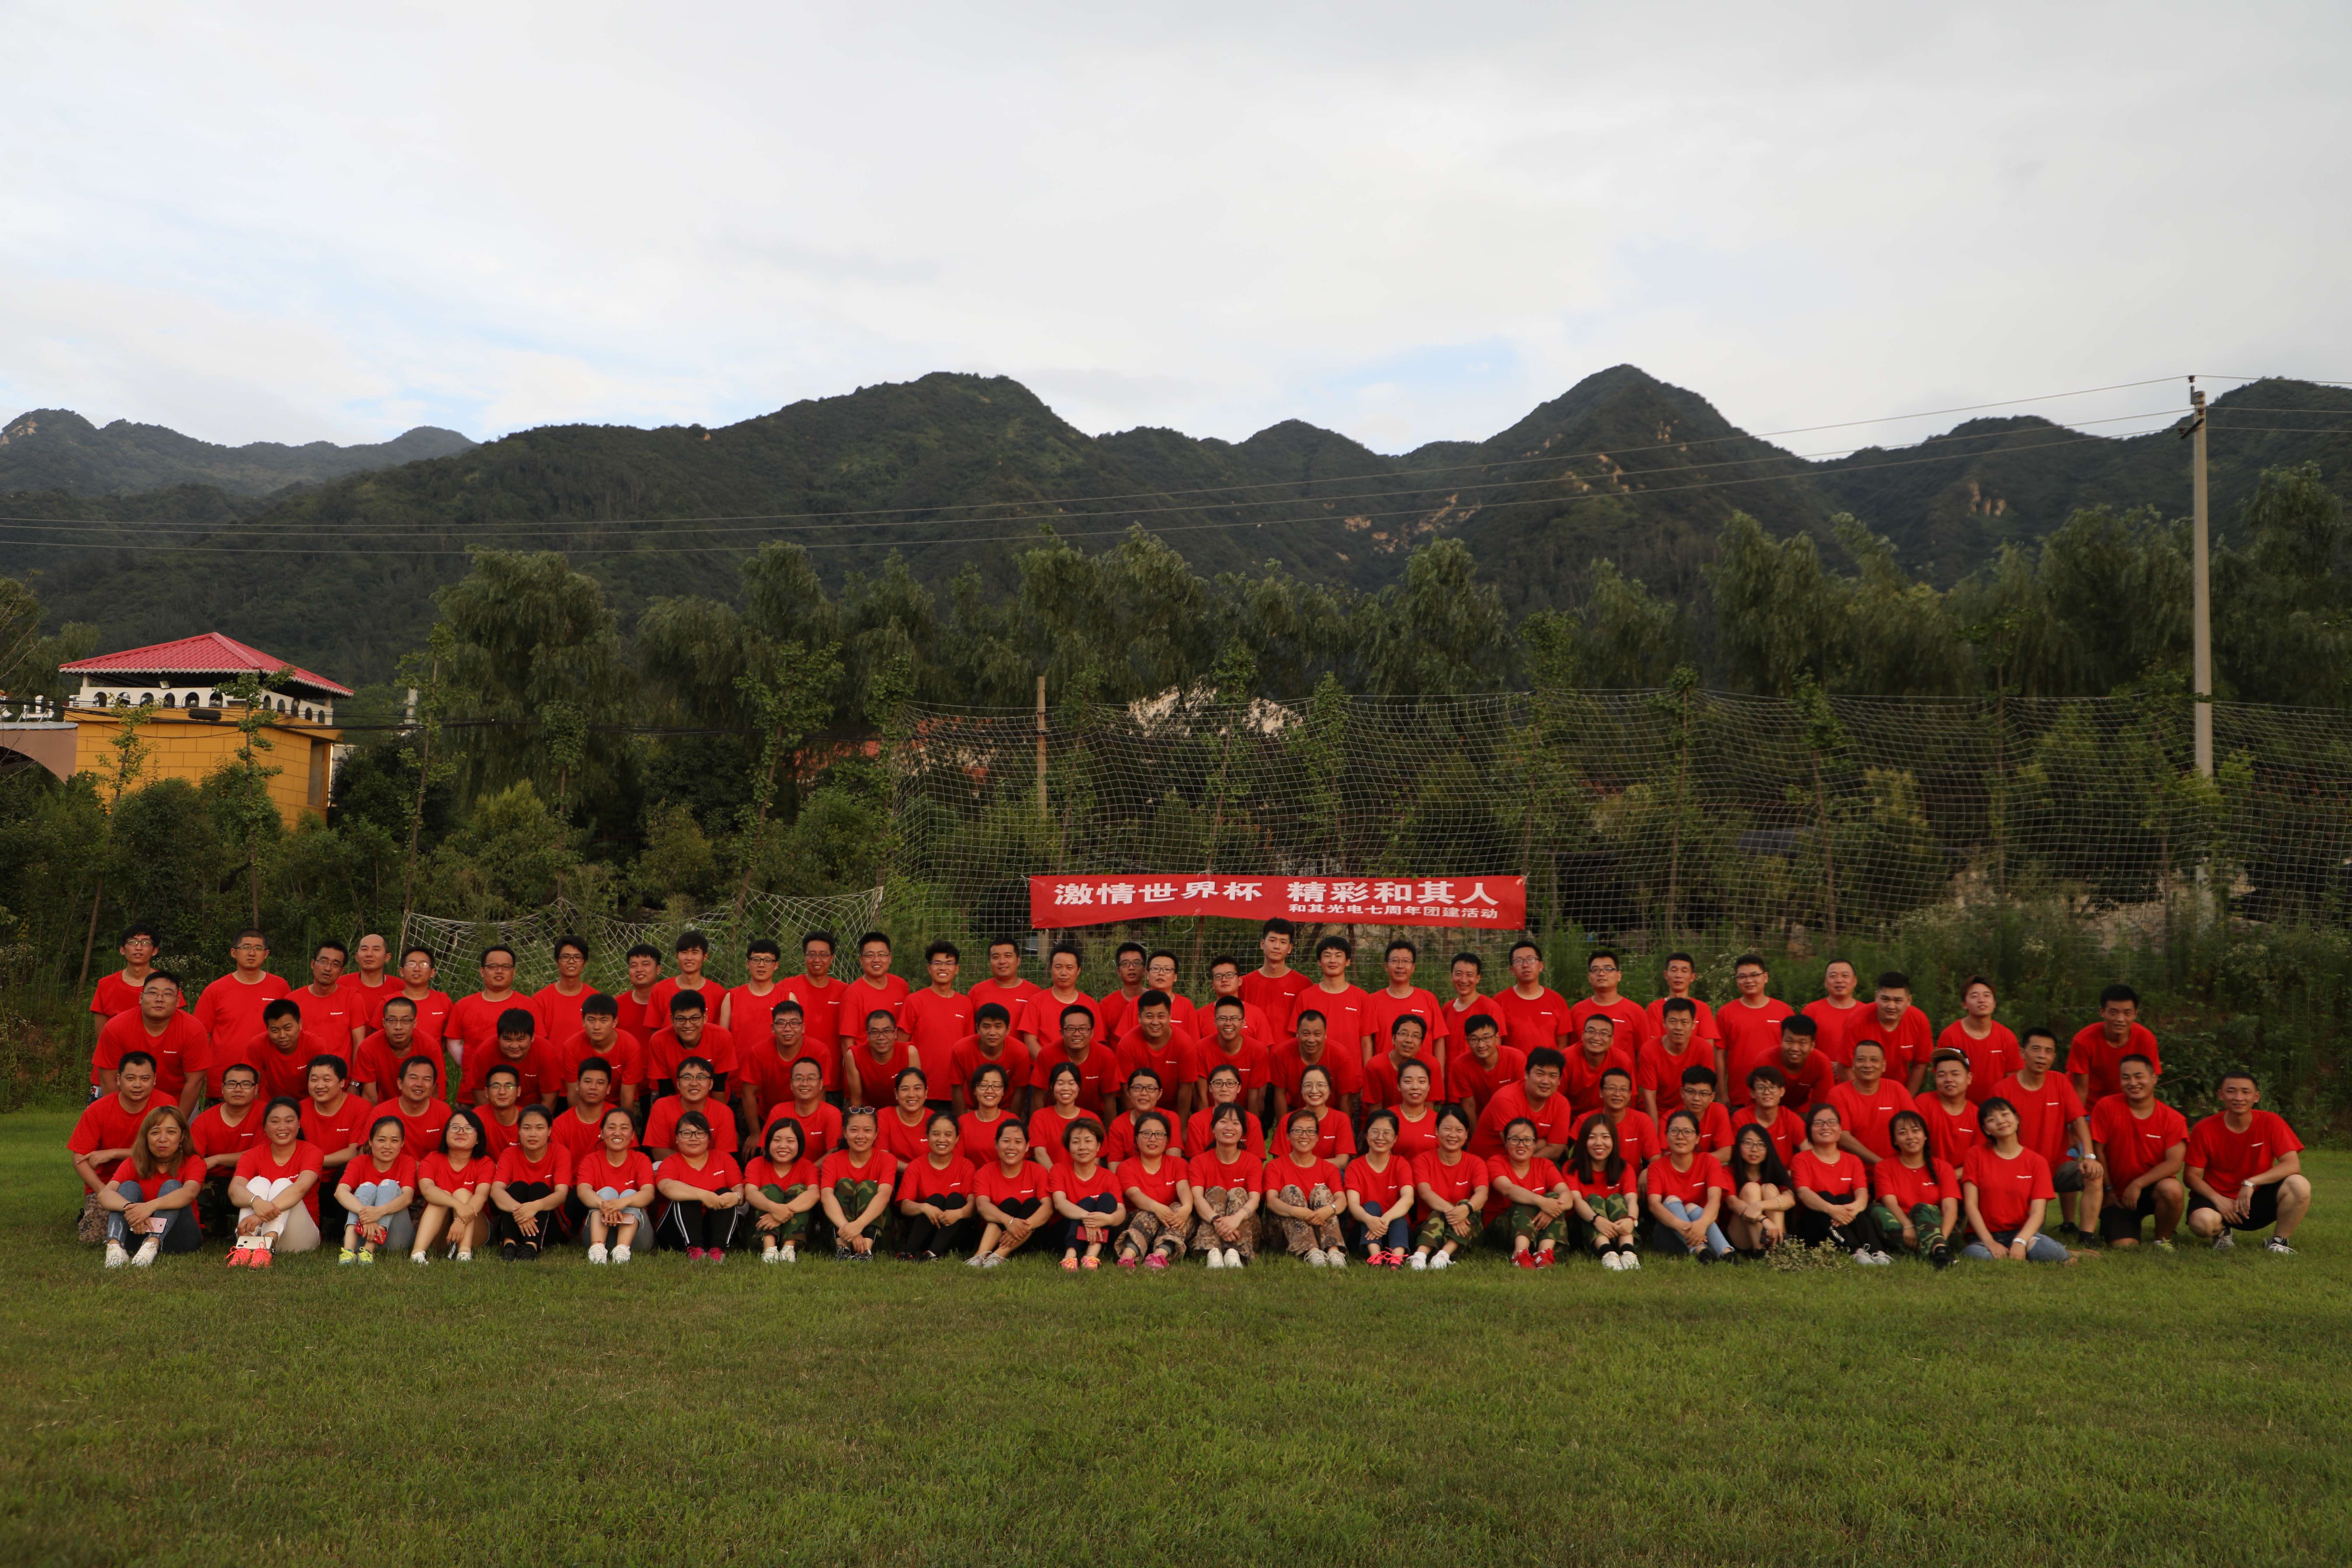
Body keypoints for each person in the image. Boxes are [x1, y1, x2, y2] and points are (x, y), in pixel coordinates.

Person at [2184, 1070, 2310, 1253]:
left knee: (2299, 1185)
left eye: (2245, 1092)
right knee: (2202, 1223)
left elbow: (2292, 1165)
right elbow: (2191, 1176)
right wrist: (2218, 1200)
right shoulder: (2204, 1129)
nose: (2239, 1098)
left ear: (2256, 1097)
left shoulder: (2271, 1122)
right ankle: (2222, 1232)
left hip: (2255, 1198)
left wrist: (2251, 1183)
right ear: (2221, 1095)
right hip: (2218, 1199)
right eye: (2231, 1091)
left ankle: (2279, 1242)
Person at [1993, 1029, 2102, 1237]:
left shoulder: (2060, 1082)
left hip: (2056, 1166)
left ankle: (2087, 1235)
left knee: (2094, 1174)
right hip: (2020, 1171)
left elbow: (2079, 1119)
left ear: (2054, 1057)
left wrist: (2089, 1156)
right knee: (2034, 1237)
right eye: (2036, 1049)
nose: (2042, 1056)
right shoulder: (2003, 1090)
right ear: (2023, 1053)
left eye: (2048, 1051)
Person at [2089, 1054, 2189, 1249]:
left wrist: (2138, 1184)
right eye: (2126, 1078)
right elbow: (2098, 1152)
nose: (2133, 1083)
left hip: (2153, 1189)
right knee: (2125, 1247)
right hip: (2117, 1194)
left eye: (2139, 1076)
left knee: (2173, 1189)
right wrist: (2108, 1191)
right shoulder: (2106, 1107)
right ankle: (2124, 1227)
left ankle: (2162, 1240)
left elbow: (2174, 1163)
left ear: (2154, 1078)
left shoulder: (2173, 1119)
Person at [69, 1051, 164, 1243]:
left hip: (153, 1179)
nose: (138, 1085)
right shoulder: (97, 1110)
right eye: (131, 1078)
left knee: (159, 1230)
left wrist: (113, 1153)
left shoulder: (165, 1106)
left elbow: (166, 1151)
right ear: (119, 1080)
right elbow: (79, 1157)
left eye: (145, 1079)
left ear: (155, 1080)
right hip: (108, 1184)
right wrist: (102, 1191)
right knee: (92, 1239)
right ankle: (90, 1215)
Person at [1961, 1098, 2071, 1262]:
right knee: (1978, 1255)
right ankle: (2027, 1256)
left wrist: (2020, 1241)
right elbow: (1971, 1205)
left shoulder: (2037, 1162)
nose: (2001, 1121)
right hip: (1984, 1236)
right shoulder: (1975, 1155)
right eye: (1992, 1120)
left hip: (2022, 1233)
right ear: (1986, 1130)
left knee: (2051, 1252)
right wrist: (1990, 1242)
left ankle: (2038, 1252)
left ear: (2017, 1119)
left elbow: (2038, 1212)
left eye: (2005, 1114)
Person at [96, 1105, 203, 1268]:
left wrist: (149, 1207)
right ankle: (115, 1248)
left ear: (182, 1136)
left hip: (180, 1237)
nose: (163, 1139)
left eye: (171, 1132)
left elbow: (190, 1192)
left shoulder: (194, 1162)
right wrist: (132, 1209)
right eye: (155, 1133)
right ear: (146, 1137)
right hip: (138, 1233)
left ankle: (152, 1245)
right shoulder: (133, 1162)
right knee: (128, 1187)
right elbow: (105, 1195)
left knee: (173, 1186)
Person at [226, 1097, 325, 1266]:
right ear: (265, 1127)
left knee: (283, 1184)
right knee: (258, 1183)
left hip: (300, 1237)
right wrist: (256, 1202)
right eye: (275, 1121)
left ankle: (266, 1248)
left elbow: (300, 1188)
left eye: (289, 1121)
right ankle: (246, 1246)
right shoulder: (252, 1155)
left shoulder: (312, 1152)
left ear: (299, 1124)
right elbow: (234, 1191)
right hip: (258, 1232)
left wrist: (259, 1216)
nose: (282, 1127)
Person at [1790, 1104, 1889, 1261]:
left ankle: (1878, 1252)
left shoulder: (1853, 1160)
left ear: (1840, 1129)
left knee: (1846, 1199)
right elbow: (1803, 1193)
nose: (1826, 1127)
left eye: (1832, 1122)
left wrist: (1853, 1209)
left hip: (1845, 1220)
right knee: (1825, 1196)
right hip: (1814, 1226)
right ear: (1809, 1130)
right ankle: (1855, 1251)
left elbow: (1862, 1193)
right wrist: (1832, 1210)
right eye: (1819, 1123)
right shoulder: (1801, 1159)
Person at [92, 972, 207, 1107]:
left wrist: (178, 1119)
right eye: (153, 993)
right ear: (141, 998)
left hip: (177, 1102)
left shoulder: (194, 1030)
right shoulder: (116, 1028)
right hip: (128, 1101)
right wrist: (120, 1113)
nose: (159, 999)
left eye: (168, 994)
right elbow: (109, 1079)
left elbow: (194, 1082)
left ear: (178, 1001)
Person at [1868, 1111, 1958, 1267]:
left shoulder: (1944, 1168)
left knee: (1921, 1209)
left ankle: (1938, 1248)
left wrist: (1940, 1238)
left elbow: (1950, 1209)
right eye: (1903, 1133)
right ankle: (1938, 1252)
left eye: (1916, 1131)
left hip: (1937, 1226)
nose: (1910, 1137)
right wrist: (1908, 1226)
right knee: (1876, 1211)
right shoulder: (1884, 1167)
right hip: (1903, 1226)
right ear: (1895, 1141)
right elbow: (1890, 1203)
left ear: (1925, 1136)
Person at [192, 929, 290, 1070]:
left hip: (269, 1072)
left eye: (258, 948)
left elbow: (290, 1030)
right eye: (246, 947)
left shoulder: (280, 987)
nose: (252, 953)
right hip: (224, 1074)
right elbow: (202, 1036)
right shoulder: (215, 990)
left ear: (266, 954)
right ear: (234, 953)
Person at [1644, 1110, 1733, 1262]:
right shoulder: (1656, 1168)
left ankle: (1727, 1253)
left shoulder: (1709, 1162)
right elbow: (1654, 1205)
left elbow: (1715, 1200)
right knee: (1672, 1201)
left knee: (1693, 1208)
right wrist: (1685, 1229)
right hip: (1670, 1232)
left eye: (1688, 1132)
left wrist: (1701, 1225)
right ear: (1666, 1136)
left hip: (1704, 1229)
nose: (1681, 1137)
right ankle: (1701, 1250)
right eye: (1674, 1131)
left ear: (1698, 1138)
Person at [1263, 1108, 1349, 1267]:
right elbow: (1272, 1202)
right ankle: (1312, 1251)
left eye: (1310, 1131)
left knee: (1322, 1191)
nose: (1304, 1136)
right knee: (1291, 1190)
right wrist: (1297, 1211)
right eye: (1298, 1131)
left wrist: (1329, 1209)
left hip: (1319, 1227)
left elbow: (1342, 1200)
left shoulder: (1329, 1168)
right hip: (1284, 1231)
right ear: (1288, 1136)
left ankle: (1333, 1250)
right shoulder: (1275, 1166)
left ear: (1317, 1137)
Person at [443, 946, 542, 1082]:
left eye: (506, 967)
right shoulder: (464, 1005)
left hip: (519, 1086)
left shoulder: (529, 1005)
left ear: (514, 972)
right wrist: (471, 1066)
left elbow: (538, 1043)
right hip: (474, 1085)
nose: (499, 971)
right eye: (493, 966)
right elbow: (453, 1043)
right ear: (482, 971)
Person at [654, 1112, 744, 1261]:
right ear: (677, 1138)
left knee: (725, 1192)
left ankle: (718, 1250)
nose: (694, 1138)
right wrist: (702, 1195)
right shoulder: (670, 1162)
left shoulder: (723, 1159)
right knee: (686, 1194)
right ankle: (695, 1250)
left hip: (710, 1229)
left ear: (709, 1138)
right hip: (675, 1232)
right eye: (687, 1133)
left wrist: (737, 1197)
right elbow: (666, 1186)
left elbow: (739, 1188)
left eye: (700, 1133)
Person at [1484, 1116, 1572, 1268]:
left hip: (1536, 1225)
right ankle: (1520, 1254)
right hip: (1503, 1226)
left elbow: (1567, 1195)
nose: (1521, 1145)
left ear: (1535, 1144)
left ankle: (1544, 1253)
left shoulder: (1545, 1165)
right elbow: (1508, 1190)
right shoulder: (1496, 1162)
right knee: (1526, 1200)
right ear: (1506, 1143)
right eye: (1515, 1140)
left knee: (1556, 1199)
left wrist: (1553, 1209)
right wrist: (1542, 1202)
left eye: (1528, 1140)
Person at [573, 1107, 655, 1265]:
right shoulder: (591, 1160)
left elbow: (649, 1193)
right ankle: (597, 1249)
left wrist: (623, 1203)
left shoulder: (641, 1160)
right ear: (602, 1133)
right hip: (598, 1234)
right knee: (607, 1192)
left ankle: (622, 1251)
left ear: (633, 1135)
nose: (617, 1133)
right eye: (611, 1128)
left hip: (636, 1239)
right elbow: (583, 1191)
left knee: (630, 1193)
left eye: (624, 1128)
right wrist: (605, 1205)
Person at [189, 1061, 264, 1234]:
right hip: (216, 1180)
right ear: (222, 1089)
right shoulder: (204, 1120)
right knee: (194, 1194)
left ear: (256, 1089)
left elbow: (262, 1155)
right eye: (232, 1084)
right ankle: (225, 1226)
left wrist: (218, 1159)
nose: (238, 1089)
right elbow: (195, 1161)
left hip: (254, 1179)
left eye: (246, 1084)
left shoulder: (267, 1114)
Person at [1408, 1106, 1486, 1270]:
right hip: (1428, 1226)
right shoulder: (1423, 1160)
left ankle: (1443, 1256)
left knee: (1470, 1205)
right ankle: (1420, 1256)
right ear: (1437, 1131)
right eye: (1447, 1129)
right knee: (1439, 1211)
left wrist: (1466, 1209)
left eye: (1459, 1130)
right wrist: (1455, 1213)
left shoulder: (1476, 1163)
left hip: (1466, 1229)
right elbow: (1425, 1192)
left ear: (1467, 1134)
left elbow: (1482, 1194)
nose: (1453, 1135)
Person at [490, 1105, 572, 1260]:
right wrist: (521, 1212)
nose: (533, 1134)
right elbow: (496, 1190)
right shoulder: (510, 1153)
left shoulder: (560, 1152)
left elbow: (562, 1194)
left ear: (549, 1131)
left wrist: (535, 1207)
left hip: (550, 1226)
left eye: (540, 1128)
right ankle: (509, 1245)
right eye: (527, 1128)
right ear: (519, 1130)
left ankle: (531, 1247)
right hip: (516, 1222)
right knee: (518, 1187)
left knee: (539, 1188)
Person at [1187, 1105, 1264, 1269]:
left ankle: (1233, 1252)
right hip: (1210, 1224)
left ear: (1243, 1132)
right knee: (1216, 1192)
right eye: (1223, 1122)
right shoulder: (1199, 1161)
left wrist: (1236, 1219)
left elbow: (1255, 1199)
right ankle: (1214, 1252)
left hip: (1244, 1225)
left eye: (1236, 1123)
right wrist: (1217, 1221)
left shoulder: (1253, 1162)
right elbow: (1197, 1198)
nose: (1229, 1128)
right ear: (1213, 1128)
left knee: (1238, 1192)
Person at [333, 1116, 416, 1264]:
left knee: (390, 1185)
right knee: (367, 1187)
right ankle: (349, 1251)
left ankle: (369, 1251)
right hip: (362, 1235)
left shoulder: (407, 1162)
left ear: (403, 1143)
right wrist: (367, 1214)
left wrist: (379, 1212)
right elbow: (340, 1192)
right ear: (371, 1142)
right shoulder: (359, 1162)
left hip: (396, 1239)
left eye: (395, 1141)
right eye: (382, 1140)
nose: (388, 1146)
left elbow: (408, 1197)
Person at [1114, 1111, 1192, 1269]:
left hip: (1170, 1220)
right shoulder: (1126, 1167)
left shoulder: (1179, 1164)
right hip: (1138, 1220)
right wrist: (1157, 1208)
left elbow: (1184, 1187)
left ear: (1168, 1140)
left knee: (1179, 1209)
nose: (1153, 1139)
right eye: (1146, 1134)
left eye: (1159, 1135)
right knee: (1148, 1213)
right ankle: (1128, 1256)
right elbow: (1135, 1195)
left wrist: (1188, 1207)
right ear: (1136, 1138)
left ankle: (1159, 1256)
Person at [1469, 1045, 1575, 1160]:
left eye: (1553, 1076)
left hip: (1527, 1162)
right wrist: (1545, 1142)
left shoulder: (1562, 1104)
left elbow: (1556, 1150)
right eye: (1540, 1074)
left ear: (1560, 1080)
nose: (1546, 1081)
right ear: (1526, 1074)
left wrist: (1530, 1161)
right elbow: (1516, 1147)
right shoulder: (1506, 1099)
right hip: (1489, 1161)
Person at [896, 1112, 978, 1261]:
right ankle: (908, 1253)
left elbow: (973, 1205)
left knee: (956, 1199)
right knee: (935, 1200)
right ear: (927, 1136)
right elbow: (905, 1206)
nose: (942, 1140)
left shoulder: (966, 1166)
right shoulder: (916, 1166)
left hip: (955, 1234)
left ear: (957, 1138)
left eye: (948, 1135)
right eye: (936, 1134)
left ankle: (933, 1254)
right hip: (925, 1232)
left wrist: (958, 1214)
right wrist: (925, 1208)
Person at [1563, 1113, 1641, 1269]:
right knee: (1595, 1199)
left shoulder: (1624, 1168)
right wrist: (1597, 1220)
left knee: (1616, 1199)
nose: (1599, 1143)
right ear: (1584, 1141)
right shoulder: (1572, 1168)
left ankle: (1628, 1252)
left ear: (1614, 1141)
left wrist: (1631, 1220)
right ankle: (1608, 1254)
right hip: (1586, 1226)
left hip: (1617, 1228)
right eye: (1592, 1138)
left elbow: (1632, 1199)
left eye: (1605, 1137)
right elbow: (1577, 1200)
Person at [903, 941, 974, 1110]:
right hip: (920, 1091)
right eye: (938, 963)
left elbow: (969, 1048)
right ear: (929, 968)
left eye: (949, 963)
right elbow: (901, 1047)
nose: (943, 968)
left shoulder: (966, 1004)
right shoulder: (914, 1001)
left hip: (956, 1091)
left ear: (957, 969)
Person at [818, 1107, 895, 1261]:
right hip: (839, 1232)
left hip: (877, 1233)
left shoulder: (887, 1160)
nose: (861, 1136)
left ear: (876, 1134)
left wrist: (859, 1225)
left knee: (869, 1187)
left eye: (867, 1130)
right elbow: (826, 1196)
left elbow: (884, 1196)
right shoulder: (832, 1160)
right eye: (854, 1130)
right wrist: (850, 1230)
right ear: (845, 1133)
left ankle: (866, 1251)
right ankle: (843, 1250)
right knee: (845, 1184)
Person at [1048, 1118, 1125, 1270]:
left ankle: (1091, 1256)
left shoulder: (1109, 1177)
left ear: (1098, 1146)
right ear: (1069, 1147)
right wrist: (1091, 1219)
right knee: (1088, 1202)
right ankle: (1070, 1255)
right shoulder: (1058, 1170)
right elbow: (1060, 1203)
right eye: (1076, 1142)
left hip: (1101, 1233)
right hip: (1064, 1232)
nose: (1082, 1147)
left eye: (1088, 1141)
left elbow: (1121, 1211)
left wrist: (1107, 1219)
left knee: (1108, 1199)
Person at [972, 1119, 1050, 1267]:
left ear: (1027, 1146)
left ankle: (999, 1256)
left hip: (1029, 1237)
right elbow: (982, 1206)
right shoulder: (985, 1172)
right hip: (993, 1237)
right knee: (1010, 1203)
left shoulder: (1039, 1171)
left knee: (1033, 1204)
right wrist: (1009, 1222)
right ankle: (980, 1255)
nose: (1012, 1147)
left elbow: (1048, 1208)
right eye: (1006, 1141)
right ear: (996, 1144)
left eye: (1018, 1142)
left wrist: (1022, 1228)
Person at [1342, 1110, 1415, 1267]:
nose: (1381, 1137)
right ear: (1367, 1135)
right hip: (1365, 1230)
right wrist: (1370, 1220)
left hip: (1397, 1231)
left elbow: (1408, 1198)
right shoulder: (1355, 1166)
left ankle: (1396, 1259)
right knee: (1371, 1207)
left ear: (1395, 1138)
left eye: (1387, 1133)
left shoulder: (1401, 1164)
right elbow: (1353, 1205)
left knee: (1398, 1216)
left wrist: (1385, 1219)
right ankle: (1376, 1257)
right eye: (1375, 1132)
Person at [743, 1117, 821, 1264]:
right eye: (777, 1140)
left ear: (799, 1144)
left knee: (799, 1190)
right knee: (772, 1190)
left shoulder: (808, 1167)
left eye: (790, 1141)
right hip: (759, 1231)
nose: (783, 1146)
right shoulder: (756, 1164)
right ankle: (769, 1249)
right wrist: (774, 1209)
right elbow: (751, 1193)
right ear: (768, 1143)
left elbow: (814, 1194)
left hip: (798, 1234)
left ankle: (789, 1248)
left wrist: (783, 1212)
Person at [1715, 955, 1792, 1101]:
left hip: (1777, 1095)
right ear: (1737, 980)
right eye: (1743, 977)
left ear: (1766, 977)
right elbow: (1720, 1055)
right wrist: (1722, 1094)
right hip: (1739, 1096)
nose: (1749, 981)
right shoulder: (1726, 1013)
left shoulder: (1784, 1011)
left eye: (1755, 975)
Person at [2071, 983, 2162, 1106]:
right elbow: (2080, 1090)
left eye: (2127, 1013)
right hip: (2090, 1107)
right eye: (2114, 1013)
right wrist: (2079, 1117)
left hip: (2125, 1105)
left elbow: (2148, 1084)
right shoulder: (2084, 1040)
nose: (2120, 1019)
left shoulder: (2146, 1039)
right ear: (2102, 1012)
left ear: (2135, 1014)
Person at [1289, 936, 1374, 1066]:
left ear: (1348, 962)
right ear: (1319, 961)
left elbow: (1366, 1043)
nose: (1333, 961)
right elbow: (1298, 1038)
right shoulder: (1305, 997)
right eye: (1327, 955)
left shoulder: (1362, 998)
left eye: (1338, 956)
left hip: (1352, 1073)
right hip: (1314, 1073)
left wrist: (1367, 1074)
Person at [1826, 1039, 1911, 1164]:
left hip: (1895, 1166)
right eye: (1861, 1060)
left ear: (1884, 1066)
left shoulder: (1897, 1089)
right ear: (1853, 1064)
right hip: (1852, 1169)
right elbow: (1842, 1137)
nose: (1868, 1065)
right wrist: (1881, 1164)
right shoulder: (1838, 1094)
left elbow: (1913, 1128)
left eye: (1874, 1060)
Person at [779, 931, 847, 1087]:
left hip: (832, 1080)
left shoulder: (845, 991)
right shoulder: (787, 987)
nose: (817, 960)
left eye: (823, 955)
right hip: (795, 1081)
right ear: (805, 957)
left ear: (832, 958)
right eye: (812, 955)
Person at [1268, 1009, 1362, 1123]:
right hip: (1297, 1109)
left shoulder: (1341, 1056)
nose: (1311, 1040)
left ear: (1325, 1034)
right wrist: (1284, 1128)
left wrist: (1344, 1128)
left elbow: (1345, 1100)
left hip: (1333, 1110)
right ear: (1297, 1032)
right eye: (1306, 1034)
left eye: (1317, 1034)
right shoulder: (1282, 1053)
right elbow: (1280, 1094)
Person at [1846, 972, 1934, 1093]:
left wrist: (1908, 1098)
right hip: (1860, 1089)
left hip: (1899, 1091)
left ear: (1909, 1001)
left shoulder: (1919, 1020)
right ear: (1876, 997)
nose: (1891, 1006)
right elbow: (1845, 1065)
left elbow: (1921, 1064)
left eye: (1898, 1001)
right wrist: (1861, 1097)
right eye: (1885, 999)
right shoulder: (1857, 1020)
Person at [1366, 940, 1445, 1074]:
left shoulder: (1429, 999)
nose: (1400, 966)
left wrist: (1440, 1074)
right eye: (1395, 961)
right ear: (1386, 966)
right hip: (1385, 1074)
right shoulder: (1372, 1001)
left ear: (1413, 967)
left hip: (1422, 1076)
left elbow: (1439, 1039)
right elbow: (1368, 1042)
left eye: (1406, 961)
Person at [1116, 991, 1198, 1120]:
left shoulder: (1185, 1044)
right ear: (1139, 1017)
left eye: (1161, 1016)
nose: (1155, 1022)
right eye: (1149, 1017)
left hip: (1173, 1111)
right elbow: (1127, 1090)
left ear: (1170, 1017)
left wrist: (1182, 1126)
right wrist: (1135, 1123)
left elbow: (1186, 1089)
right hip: (1139, 1110)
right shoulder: (1127, 1044)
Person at [1719, 1122, 1794, 1254]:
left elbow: (1790, 1200)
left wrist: (1760, 1206)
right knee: (1751, 1188)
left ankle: (1776, 1249)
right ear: (1739, 1145)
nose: (1755, 1150)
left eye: (1761, 1145)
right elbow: (1733, 1203)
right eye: (1748, 1143)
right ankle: (1760, 1251)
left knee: (1769, 1188)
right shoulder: (1728, 1171)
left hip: (1775, 1230)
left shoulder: (1775, 1171)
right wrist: (1764, 1220)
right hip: (1740, 1234)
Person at [1937, 976, 2018, 1098]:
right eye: (1975, 996)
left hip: (1997, 1106)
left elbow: (2013, 1079)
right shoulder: (1950, 1036)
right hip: (1960, 1105)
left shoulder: (2007, 1037)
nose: (1982, 1000)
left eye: (1987, 996)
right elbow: (1943, 1077)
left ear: (1995, 1003)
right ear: (1964, 1004)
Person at [645, 1057, 741, 1160]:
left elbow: (723, 1157)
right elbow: (659, 1153)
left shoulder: (724, 1112)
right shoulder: (662, 1106)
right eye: (687, 1078)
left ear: (711, 1084)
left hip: (712, 1168)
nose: (694, 1083)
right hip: (672, 1166)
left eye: (701, 1078)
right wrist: (693, 1164)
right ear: (678, 1083)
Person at [559, 993, 642, 1112]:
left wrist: (623, 1121)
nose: (597, 1027)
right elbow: (574, 1094)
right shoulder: (571, 1047)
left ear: (615, 1022)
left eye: (604, 1020)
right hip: (586, 1104)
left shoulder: (630, 1046)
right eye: (591, 1020)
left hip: (619, 1103)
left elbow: (627, 1097)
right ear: (583, 1021)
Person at [1640, 996, 1716, 1124]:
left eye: (1685, 1022)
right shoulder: (1649, 1050)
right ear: (1664, 1022)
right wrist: (1655, 1133)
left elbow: (1706, 1092)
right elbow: (1649, 1098)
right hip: (1659, 1112)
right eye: (1673, 1021)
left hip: (1690, 1111)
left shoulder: (1704, 1049)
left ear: (1693, 1024)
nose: (1679, 1028)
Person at [1197, 995, 1271, 1120]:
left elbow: (1254, 1099)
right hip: (1211, 1115)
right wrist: (1205, 1125)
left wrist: (1250, 1127)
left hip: (1243, 1116)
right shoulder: (1201, 1048)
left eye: (1234, 1019)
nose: (1228, 1024)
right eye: (1223, 1019)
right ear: (1215, 1022)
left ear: (1244, 1023)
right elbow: (1202, 1096)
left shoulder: (1258, 1050)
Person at [647, 992, 736, 1097]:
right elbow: (666, 1090)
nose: (688, 1025)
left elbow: (719, 1087)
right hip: (677, 1098)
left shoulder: (722, 1038)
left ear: (705, 1017)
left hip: (714, 1099)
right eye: (681, 1019)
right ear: (672, 1020)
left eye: (695, 1019)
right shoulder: (659, 1041)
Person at [948, 1003, 1030, 1116]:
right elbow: (957, 1088)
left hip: (1007, 1107)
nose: (992, 1033)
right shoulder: (961, 1049)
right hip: (971, 1107)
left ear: (1008, 1029)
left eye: (998, 1027)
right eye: (986, 1027)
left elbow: (1020, 1091)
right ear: (978, 1028)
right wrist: (960, 1121)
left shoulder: (1020, 1052)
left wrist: (1014, 1121)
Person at [834, 931, 910, 1049]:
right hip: (866, 1059)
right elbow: (847, 1043)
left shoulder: (902, 986)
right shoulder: (853, 994)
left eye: (882, 955)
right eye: (870, 956)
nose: (876, 960)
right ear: (861, 960)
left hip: (895, 1058)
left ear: (890, 958)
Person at [1017, 942, 1096, 1056]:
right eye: (1058, 967)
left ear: (1079, 970)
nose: (1064, 973)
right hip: (1046, 1064)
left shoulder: (1091, 1004)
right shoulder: (1036, 1001)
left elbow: (1096, 1043)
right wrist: (1049, 1064)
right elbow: (1030, 1042)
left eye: (1070, 968)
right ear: (1051, 969)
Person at [1446, 1013, 1524, 1128]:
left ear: (1497, 1038)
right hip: (1481, 1123)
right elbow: (1469, 1107)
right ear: (1467, 1041)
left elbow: (1523, 1100)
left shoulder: (1516, 1058)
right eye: (1474, 1040)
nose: (1481, 1045)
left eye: (1487, 1038)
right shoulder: (1461, 1065)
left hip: (1514, 1121)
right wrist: (1476, 1136)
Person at [1571, 948, 1649, 1061]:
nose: (1601, 974)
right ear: (1589, 977)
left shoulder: (1636, 1012)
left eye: (1608, 969)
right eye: (1596, 970)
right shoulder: (1577, 1010)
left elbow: (1643, 1054)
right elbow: (1573, 1051)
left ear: (1619, 976)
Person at [1646, 952, 1719, 1072]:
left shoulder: (1703, 1008)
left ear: (1693, 977)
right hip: (1664, 1071)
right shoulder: (1655, 1008)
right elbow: (1654, 1044)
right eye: (1674, 970)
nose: (1678, 976)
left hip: (1694, 1074)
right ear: (1666, 975)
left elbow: (1708, 1047)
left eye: (1684, 971)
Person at [291, 939, 363, 1055]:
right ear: (313, 964)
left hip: (340, 1066)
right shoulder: (293, 1000)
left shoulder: (352, 998)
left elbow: (359, 1044)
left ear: (342, 971)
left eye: (335, 964)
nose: (328, 968)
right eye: (324, 962)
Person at [764, 1057, 843, 1161]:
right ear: (791, 1084)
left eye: (811, 1078)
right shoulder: (779, 1111)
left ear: (821, 1084)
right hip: (784, 1168)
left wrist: (808, 1170)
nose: (805, 1084)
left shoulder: (832, 1114)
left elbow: (834, 1153)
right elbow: (767, 1150)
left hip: (819, 1170)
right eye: (799, 1079)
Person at [1914, 1050, 1983, 1168]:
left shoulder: (1977, 1116)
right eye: (1942, 1075)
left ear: (1969, 1078)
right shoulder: (1923, 1103)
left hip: (1962, 1177)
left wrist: (1949, 1176)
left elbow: (1977, 1162)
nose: (1949, 1079)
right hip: (1925, 1173)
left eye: (1955, 1074)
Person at [844, 1006, 919, 1112]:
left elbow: (914, 1095)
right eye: (875, 1032)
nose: (882, 1037)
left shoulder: (910, 1053)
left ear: (896, 1033)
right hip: (868, 1112)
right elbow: (856, 1100)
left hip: (902, 1111)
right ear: (867, 1036)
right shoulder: (854, 1055)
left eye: (887, 1031)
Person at [547, 1057, 619, 1167]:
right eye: (588, 1082)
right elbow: (556, 1166)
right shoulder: (560, 1125)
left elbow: (628, 1160)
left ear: (609, 1088)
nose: (593, 1087)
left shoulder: (619, 1118)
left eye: (600, 1083)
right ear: (577, 1085)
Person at [1561, 1014, 1638, 1118]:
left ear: (1612, 1040)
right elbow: (1557, 1097)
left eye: (1604, 1034)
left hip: (1609, 1119)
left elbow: (1629, 1099)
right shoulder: (1568, 1057)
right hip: (1572, 1118)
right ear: (1583, 1035)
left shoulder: (1622, 1060)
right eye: (1591, 1032)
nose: (1597, 1038)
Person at [1284, 1064, 1357, 1170]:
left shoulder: (1341, 1119)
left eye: (1321, 1085)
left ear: (1330, 1090)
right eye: (1308, 1085)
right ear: (1302, 1090)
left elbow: (1342, 1162)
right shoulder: (1288, 1120)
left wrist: (1309, 1167)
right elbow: (1281, 1161)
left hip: (1328, 1175)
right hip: (1293, 1175)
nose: (1314, 1091)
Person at [1104, 1068, 1183, 1163]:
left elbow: (1175, 1162)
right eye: (1138, 1088)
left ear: (1160, 1094)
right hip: (1130, 1173)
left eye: (1151, 1089)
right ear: (1129, 1093)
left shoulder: (1170, 1118)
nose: (1144, 1093)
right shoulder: (1118, 1124)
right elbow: (1115, 1166)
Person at [89, 922, 162, 1024]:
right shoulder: (105, 985)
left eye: (146, 943)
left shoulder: (167, 985)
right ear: (123, 950)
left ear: (155, 951)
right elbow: (102, 1033)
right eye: (133, 942)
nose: (139, 948)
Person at [1362, 1015, 1438, 1111]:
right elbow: (1375, 1111)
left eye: (1416, 1036)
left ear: (1421, 1043)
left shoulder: (1431, 1065)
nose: (1409, 1040)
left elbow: (1428, 1110)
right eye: (1404, 1034)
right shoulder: (1376, 1066)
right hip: (1385, 1118)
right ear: (1393, 1038)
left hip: (1418, 1118)